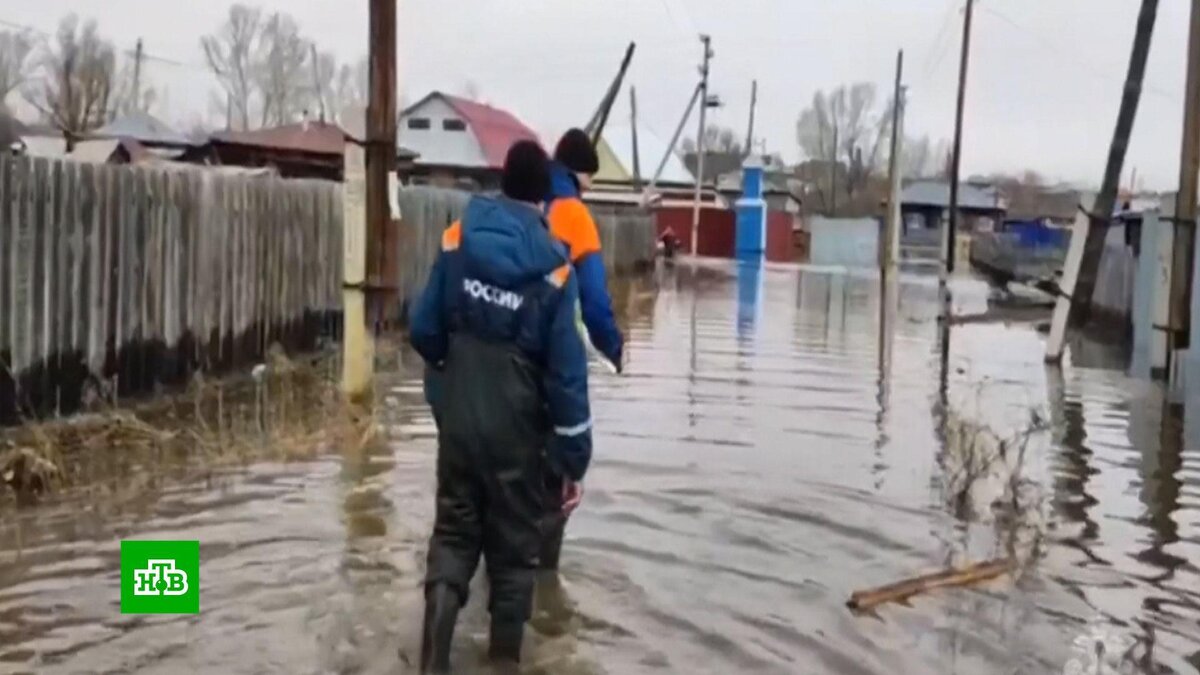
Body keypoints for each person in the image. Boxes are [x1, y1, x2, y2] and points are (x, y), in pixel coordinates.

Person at [409, 140, 593, 673]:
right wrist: (572, 461)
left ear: (502, 181)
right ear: (543, 197)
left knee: (454, 533)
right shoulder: (556, 268)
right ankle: (504, 663)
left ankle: (431, 662)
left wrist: (454, 387)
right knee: (514, 558)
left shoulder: (457, 237)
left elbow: (424, 329)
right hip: (519, 435)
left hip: (460, 422)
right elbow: (567, 380)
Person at [540, 128, 623, 573]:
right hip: (551, 365)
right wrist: (613, 349)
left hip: (492, 375)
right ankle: (544, 596)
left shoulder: (519, 202)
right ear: (580, 175)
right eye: (590, 179)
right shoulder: (574, 215)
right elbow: (593, 300)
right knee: (553, 491)